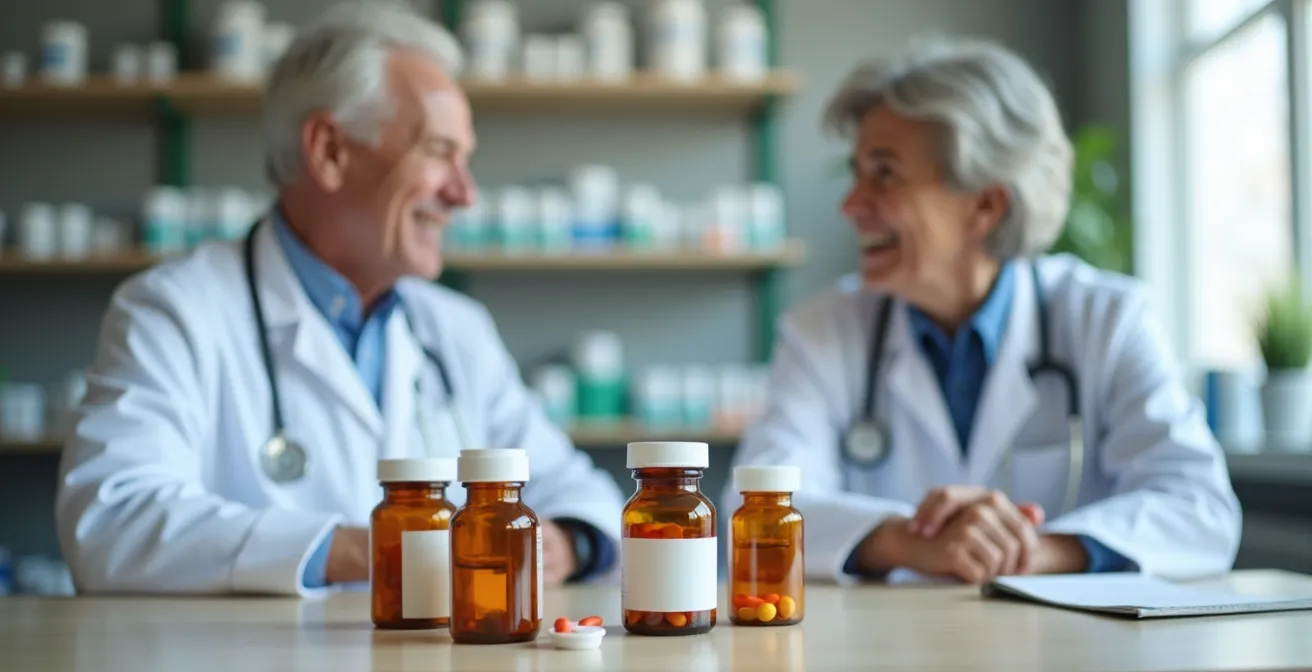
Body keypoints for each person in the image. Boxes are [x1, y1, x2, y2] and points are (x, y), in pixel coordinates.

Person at [55, 0, 625, 596]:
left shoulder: (454, 329)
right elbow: (111, 523)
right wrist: (370, 548)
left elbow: (583, 498)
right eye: (437, 153)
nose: (464, 194)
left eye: (466, 159)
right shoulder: (175, 311)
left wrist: (561, 543)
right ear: (329, 150)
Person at [723, 37, 1242, 585]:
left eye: (885, 174)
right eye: (856, 173)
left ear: (986, 205)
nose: (850, 205)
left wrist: (1027, 550)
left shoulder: (1107, 320)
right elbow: (750, 512)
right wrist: (906, 540)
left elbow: (1199, 510)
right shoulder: (822, 332)